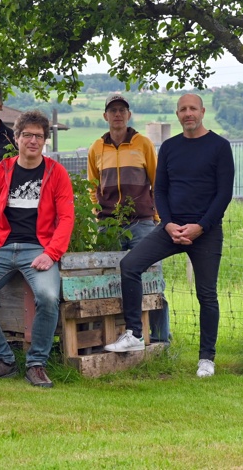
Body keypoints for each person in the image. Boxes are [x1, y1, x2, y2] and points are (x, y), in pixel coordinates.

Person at [105, 94, 234, 378]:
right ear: (177, 114)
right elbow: (159, 190)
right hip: (170, 229)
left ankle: (206, 358)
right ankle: (134, 334)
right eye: (183, 109)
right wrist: (168, 224)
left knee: (207, 294)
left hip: (206, 232)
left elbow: (224, 193)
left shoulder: (220, 146)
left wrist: (201, 226)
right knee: (130, 265)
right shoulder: (170, 147)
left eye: (193, 109)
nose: (188, 113)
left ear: (202, 111)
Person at [0, 110, 74, 388]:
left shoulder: (56, 172)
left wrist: (52, 253)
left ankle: (36, 364)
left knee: (48, 297)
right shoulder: (2, 171)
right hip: (1, 248)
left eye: (38, 136)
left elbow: (67, 218)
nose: (32, 140)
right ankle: (4, 359)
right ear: (16, 138)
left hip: (38, 249)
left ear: (45, 140)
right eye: (27, 135)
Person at [86, 93, 170, 342]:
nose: (118, 115)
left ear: (129, 115)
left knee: (152, 280)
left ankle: (160, 338)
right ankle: (117, 335)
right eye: (113, 111)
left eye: (122, 110)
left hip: (142, 223)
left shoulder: (142, 144)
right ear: (105, 116)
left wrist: (156, 215)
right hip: (109, 225)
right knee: (109, 281)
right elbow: (92, 186)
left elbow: (157, 182)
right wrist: (97, 213)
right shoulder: (96, 148)